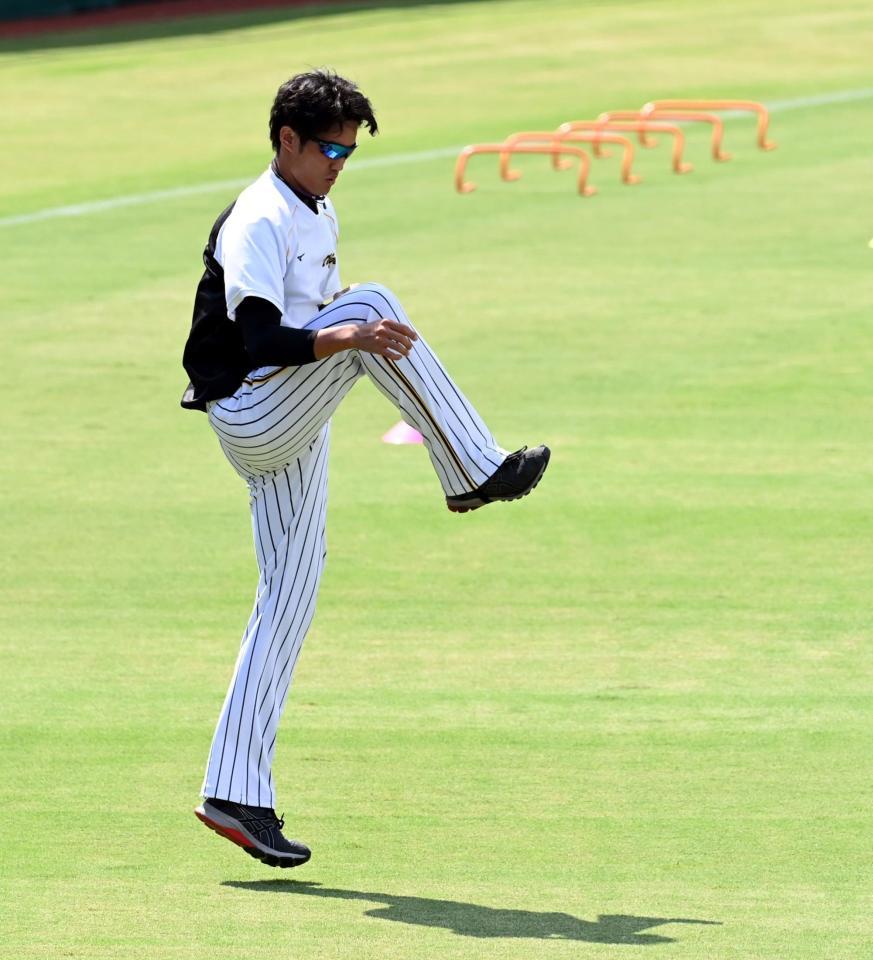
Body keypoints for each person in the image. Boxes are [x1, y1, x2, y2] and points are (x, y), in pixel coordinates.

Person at [180, 69, 550, 869]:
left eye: (350, 149)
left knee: (289, 597)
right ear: (286, 139)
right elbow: (257, 341)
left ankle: (234, 793)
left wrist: (343, 337)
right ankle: (472, 470)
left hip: (289, 414)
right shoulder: (259, 217)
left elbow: (315, 326)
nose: (340, 161)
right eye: (330, 147)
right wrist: (344, 339)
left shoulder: (315, 205)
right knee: (368, 304)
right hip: (251, 410)